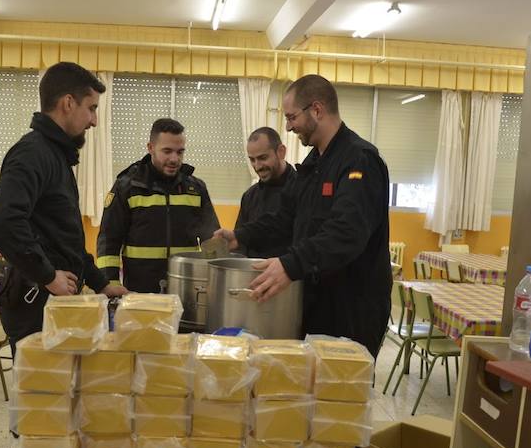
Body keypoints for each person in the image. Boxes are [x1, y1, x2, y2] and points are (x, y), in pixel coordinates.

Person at [214, 74, 392, 356]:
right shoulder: (314, 164)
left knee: (340, 393)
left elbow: (346, 232)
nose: (288, 126)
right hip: (316, 300)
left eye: (291, 117)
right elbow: (285, 217)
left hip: (352, 305)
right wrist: (240, 236)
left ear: (317, 110)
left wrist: (291, 264)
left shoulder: (359, 160)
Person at [0, 62, 127, 352]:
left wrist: (101, 283)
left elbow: (63, 239)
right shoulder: (33, 153)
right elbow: (0, 223)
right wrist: (48, 276)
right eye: (92, 108)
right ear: (68, 103)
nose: (94, 121)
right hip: (35, 305)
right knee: (41, 396)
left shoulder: (55, 156)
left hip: (50, 303)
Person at [96, 118, 220, 293]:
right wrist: (111, 284)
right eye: (167, 151)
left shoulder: (196, 188)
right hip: (139, 291)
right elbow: (109, 241)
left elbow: (212, 240)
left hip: (186, 291)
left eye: (180, 152)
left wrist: (216, 281)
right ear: (150, 148)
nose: (174, 159)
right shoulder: (127, 187)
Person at [234, 127, 296, 258]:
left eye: (263, 158)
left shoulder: (302, 188)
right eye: (252, 160)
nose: (257, 166)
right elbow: (240, 244)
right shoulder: (249, 196)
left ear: (281, 152)